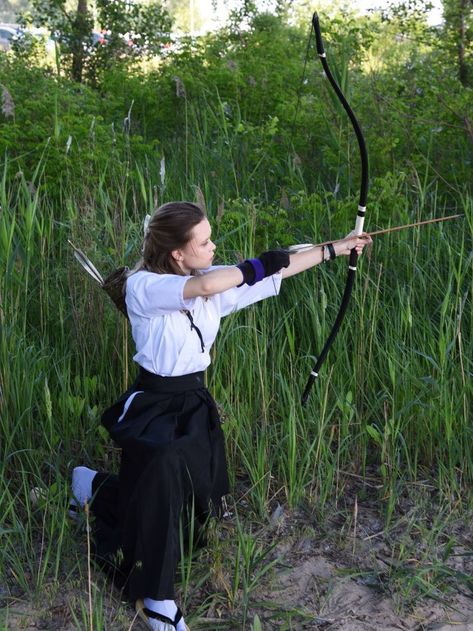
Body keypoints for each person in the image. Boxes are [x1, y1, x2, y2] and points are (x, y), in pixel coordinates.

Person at [71, 201, 371, 631]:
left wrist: (335, 249)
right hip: (155, 402)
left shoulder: (206, 277)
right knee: (163, 483)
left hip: (192, 400)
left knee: (192, 496)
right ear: (177, 252)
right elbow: (212, 287)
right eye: (205, 241)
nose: (214, 247)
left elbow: (275, 269)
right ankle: (157, 598)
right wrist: (257, 264)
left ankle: (91, 485)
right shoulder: (144, 285)